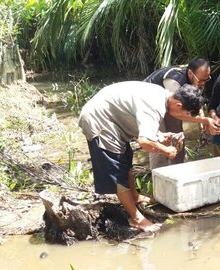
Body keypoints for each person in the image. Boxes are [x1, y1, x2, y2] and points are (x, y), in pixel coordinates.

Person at [78, 81, 204, 232]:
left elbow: (141, 121)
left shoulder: (161, 95)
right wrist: (166, 151)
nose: (183, 118)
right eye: (186, 114)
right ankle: (136, 219)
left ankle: (134, 196)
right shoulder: (155, 106)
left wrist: (160, 136)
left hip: (113, 120)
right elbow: (144, 142)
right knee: (118, 170)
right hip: (99, 120)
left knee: (126, 158)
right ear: (178, 105)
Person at [144, 58, 220, 169]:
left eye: (206, 79)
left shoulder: (198, 78)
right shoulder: (174, 82)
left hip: (169, 104)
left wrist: (202, 118)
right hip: (150, 104)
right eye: (201, 80)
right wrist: (205, 120)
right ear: (190, 73)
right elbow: (176, 112)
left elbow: (195, 99)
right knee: (160, 140)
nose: (203, 84)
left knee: (178, 136)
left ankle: (178, 169)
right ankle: (159, 173)